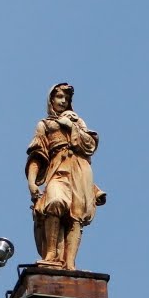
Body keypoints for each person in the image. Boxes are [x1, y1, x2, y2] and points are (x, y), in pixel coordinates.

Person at [25, 84, 106, 271]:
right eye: (59, 97)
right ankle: (51, 254)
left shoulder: (77, 122)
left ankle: (70, 263)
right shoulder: (44, 125)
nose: (63, 101)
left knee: (76, 215)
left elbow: (90, 145)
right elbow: (37, 156)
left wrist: (71, 126)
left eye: (66, 98)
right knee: (55, 202)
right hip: (58, 169)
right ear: (51, 99)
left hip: (80, 170)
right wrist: (32, 182)